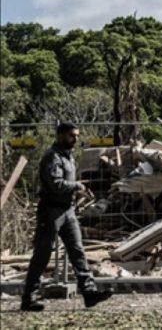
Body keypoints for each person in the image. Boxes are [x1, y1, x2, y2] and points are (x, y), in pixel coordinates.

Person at [21, 122, 112, 312]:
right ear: (60, 135)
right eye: (72, 136)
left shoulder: (68, 156)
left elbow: (66, 183)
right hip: (51, 211)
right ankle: (29, 298)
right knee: (42, 254)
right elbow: (56, 184)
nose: (75, 139)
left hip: (67, 210)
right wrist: (77, 186)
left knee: (77, 250)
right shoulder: (52, 157)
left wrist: (78, 189)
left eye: (77, 135)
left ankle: (89, 292)